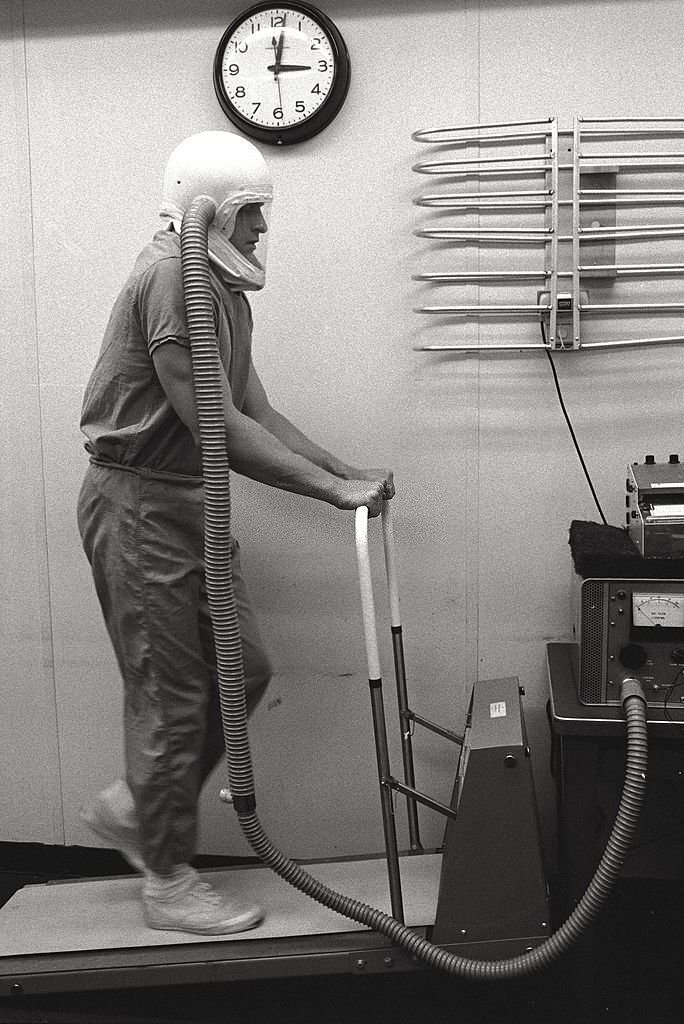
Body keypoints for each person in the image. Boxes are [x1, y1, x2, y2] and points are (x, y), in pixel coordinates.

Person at [77, 130, 394, 937]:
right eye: (253, 214)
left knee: (243, 670)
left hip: (185, 502)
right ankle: (169, 878)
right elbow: (210, 419)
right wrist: (328, 493)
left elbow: (256, 409)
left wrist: (342, 468)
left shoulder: (222, 291)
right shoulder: (170, 282)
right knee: (173, 697)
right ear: (209, 210)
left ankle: (135, 809)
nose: (261, 231)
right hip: (141, 504)